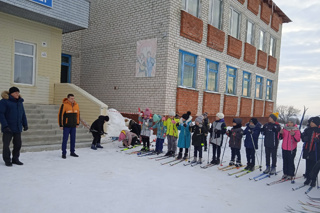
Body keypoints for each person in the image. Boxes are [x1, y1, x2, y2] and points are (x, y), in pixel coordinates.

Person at [0, 87, 28, 166]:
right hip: (8, 128)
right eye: (15, 92)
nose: (17, 94)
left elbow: (23, 114)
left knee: (18, 144)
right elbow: (1, 114)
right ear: (11, 93)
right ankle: (7, 160)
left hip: (17, 128)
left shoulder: (19, 102)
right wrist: (5, 126)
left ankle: (15, 159)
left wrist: (25, 124)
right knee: (6, 145)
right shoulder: (4, 102)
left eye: (18, 92)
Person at [58, 94, 80, 159]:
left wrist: (77, 123)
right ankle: (64, 153)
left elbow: (78, 115)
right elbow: (60, 115)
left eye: (73, 98)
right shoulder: (64, 105)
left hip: (73, 126)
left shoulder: (76, 105)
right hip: (66, 126)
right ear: (68, 99)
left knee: (73, 140)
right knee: (65, 140)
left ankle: (72, 152)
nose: (73, 100)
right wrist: (61, 125)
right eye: (71, 98)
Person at [302, 116, 320, 186]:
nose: (311, 123)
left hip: (316, 151)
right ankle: (308, 178)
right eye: (310, 122)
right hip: (308, 150)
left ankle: (313, 179)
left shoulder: (319, 130)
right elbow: (303, 136)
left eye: (312, 122)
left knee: (314, 166)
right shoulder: (307, 130)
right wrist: (304, 138)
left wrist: (318, 141)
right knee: (308, 165)